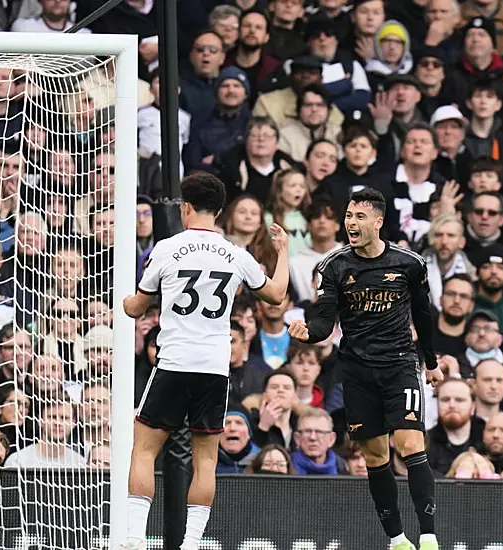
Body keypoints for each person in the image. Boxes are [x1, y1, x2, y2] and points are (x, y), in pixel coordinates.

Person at [120, 172, 291, 550]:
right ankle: (192, 542)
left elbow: (137, 306)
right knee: (205, 460)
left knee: (145, 449)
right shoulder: (236, 254)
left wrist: (126, 301)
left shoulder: (166, 248)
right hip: (213, 368)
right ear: (219, 211)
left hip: (174, 362)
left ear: (185, 207)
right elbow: (277, 295)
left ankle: (133, 537)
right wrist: (283, 252)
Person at [288, 187, 445, 550]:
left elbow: (423, 315)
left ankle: (429, 535)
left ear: (378, 221)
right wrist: (308, 332)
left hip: (400, 365)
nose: (351, 223)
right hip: (357, 371)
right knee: (375, 455)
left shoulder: (409, 263)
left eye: (359, 217)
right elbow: (326, 321)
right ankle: (398, 539)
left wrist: (431, 362)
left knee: (410, 443)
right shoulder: (333, 266)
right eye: (348, 216)